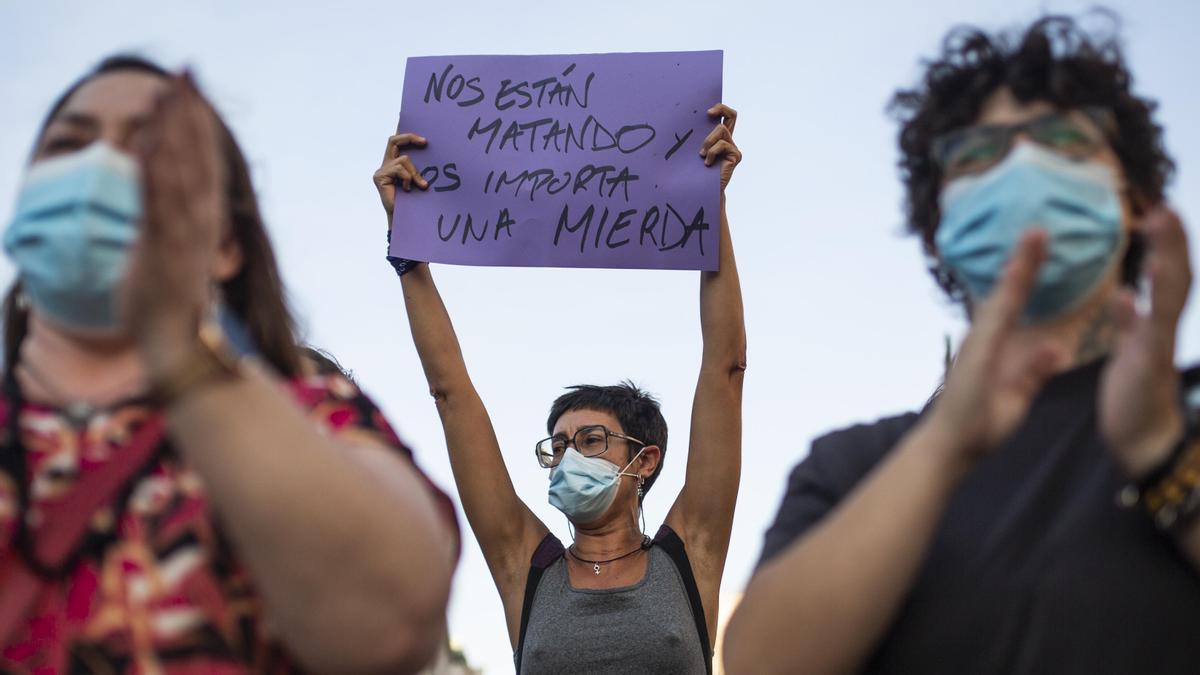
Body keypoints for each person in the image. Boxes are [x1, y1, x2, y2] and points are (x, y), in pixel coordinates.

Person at [724, 15, 1200, 675]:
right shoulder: (855, 465)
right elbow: (761, 662)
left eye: (1064, 141)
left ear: (1137, 199)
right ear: (936, 225)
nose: (1024, 166)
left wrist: (1165, 457)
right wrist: (944, 445)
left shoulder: (1188, 420)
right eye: (979, 154)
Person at [0, 56, 458, 673]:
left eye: (150, 151)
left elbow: (392, 628)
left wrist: (176, 337)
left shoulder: (314, 416)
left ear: (224, 248)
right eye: (68, 145)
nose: (100, 167)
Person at [375, 104, 745, 673]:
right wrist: (408, 248)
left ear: (644, 460)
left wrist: (709, 204)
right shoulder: (525, 565)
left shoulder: (690, 553)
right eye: (560, 445)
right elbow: (451, 394)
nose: (569, 456)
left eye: (592, 439)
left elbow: (725, 369)